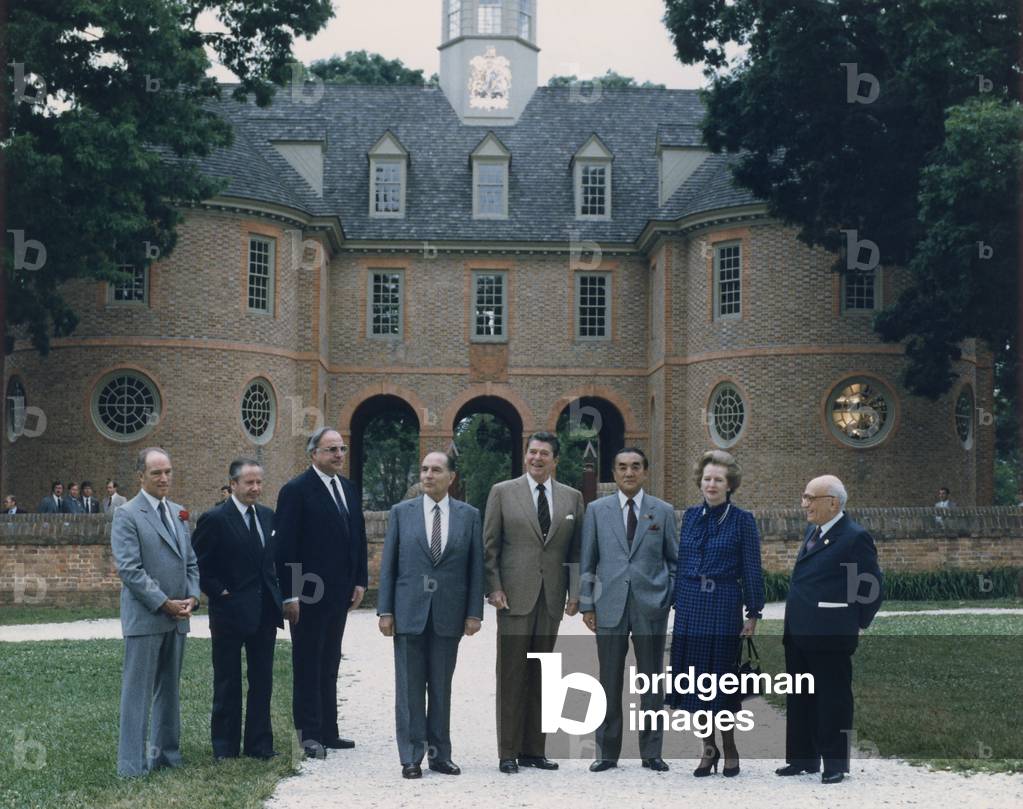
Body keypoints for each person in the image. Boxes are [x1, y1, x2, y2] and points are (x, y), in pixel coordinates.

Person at [377, 451, 484, 779]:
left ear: (451, 477)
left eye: (436, 470)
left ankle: (440, 756)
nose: (428, 475)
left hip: (449, 614)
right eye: (424, 469)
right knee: (409, 689)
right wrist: (385, 610)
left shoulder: (469, 516)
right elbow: (389, 566)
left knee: (441, 687)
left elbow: (475, 567)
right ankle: (411, 756)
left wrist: (473, 613)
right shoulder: (401, 513)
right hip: (409, 611)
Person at [483, 431, 584, 774]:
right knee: (511, 675)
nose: (537, 458)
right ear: (525, 456)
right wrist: (493, 587)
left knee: (543, 675)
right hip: (513, 597)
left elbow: (576, 551)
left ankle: (534, 750)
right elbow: (490, 547)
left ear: (555, 460)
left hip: (552, 598)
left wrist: (575, 592)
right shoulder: (502, 492)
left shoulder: (572, 498)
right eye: (532, 452)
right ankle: (508, 751)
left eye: (544, 454)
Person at [776, 474, 883, 784]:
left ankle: (834, 764)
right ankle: (802, 759)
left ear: (833, 503)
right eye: (804, 496)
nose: (804, 503)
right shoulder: (814, 531)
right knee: (800, 696)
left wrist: (854, 622)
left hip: (829, 633)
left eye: (811, 498)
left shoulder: (853, 537)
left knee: (833, 698)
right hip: (798, 632)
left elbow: (869, 587)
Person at [580, 447, 678, 773]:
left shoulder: (662, 511)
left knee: (651, 682)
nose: (629, 473)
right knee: (608, 680)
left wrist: (668, 596)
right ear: (614, 472)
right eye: (622, 467)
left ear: (645, 472)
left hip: (651, 606)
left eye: (636, 466)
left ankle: (652, 752)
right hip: (609, 606)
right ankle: (607, 753)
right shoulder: (596, 510)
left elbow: (674, 561)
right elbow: (588, 561)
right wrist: (587, 604)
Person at [667, 449, 764, 778]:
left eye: (718, 480)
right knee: (694, 682)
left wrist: (754, 612)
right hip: (691, 605)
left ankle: (731, 746)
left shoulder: (742, 520)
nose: (711, 484)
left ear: (730, 484)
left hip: (723, 602)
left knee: (720, 681)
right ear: (700, 481)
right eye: (707, 478)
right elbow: (681, 565)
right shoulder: (691, 517)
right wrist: (678, 601)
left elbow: (752, 568)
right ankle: (708, 749)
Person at [275, 426, 368, 759]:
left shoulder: (348, 488)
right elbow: (285, 547)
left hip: (340, 592)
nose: (339, 455)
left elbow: (357, 536)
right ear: (313, 454)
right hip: (308, 594)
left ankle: (329, 730)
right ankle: (308, 734)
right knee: (307, 663)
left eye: (341, 448)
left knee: (330, 662)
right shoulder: (296, 491)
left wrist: (360, 580)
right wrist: (290, 594)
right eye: (331, 450)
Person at [111, 447, 200, 777]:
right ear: (140, 476)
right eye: (156, 473)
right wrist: (164, 602)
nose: (164, 478)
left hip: (178, 618)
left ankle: (166, 756)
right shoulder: (127, 514)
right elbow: (130, 569)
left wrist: (192, 597)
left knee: (169, 690)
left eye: (168, 472)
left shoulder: (179, 512)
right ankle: (132, 765)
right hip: (147, 617)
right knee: (137, 693)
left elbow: (190, 561)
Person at [193, 458, 283, 761]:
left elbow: (272, 563)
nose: (255, 488)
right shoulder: (215, 519)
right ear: (233, 484)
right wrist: (222, 592)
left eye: (259, 482)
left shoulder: (269, 517)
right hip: (229, 613)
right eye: (249, 483)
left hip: (264, 613)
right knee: (227, 681)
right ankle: (225, 747)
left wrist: (283, 597)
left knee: (262, 681)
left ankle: (259, 745)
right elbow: (200, 566)